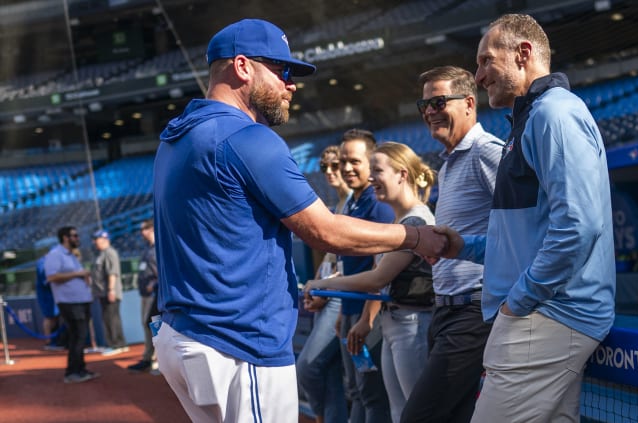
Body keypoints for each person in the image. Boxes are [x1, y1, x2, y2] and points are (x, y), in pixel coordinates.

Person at [151, 19, 446, 423]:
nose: (291, 84)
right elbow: (324, 231)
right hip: (237, 343)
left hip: (184, 334)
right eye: (281, 70)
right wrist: (415, 237)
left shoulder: (175, 138)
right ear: (242, 67)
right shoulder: (248, 138)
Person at [434, 14, 616, 422]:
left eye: (486, 61)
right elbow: (525, 239)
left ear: (523, 54)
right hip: (547, 315)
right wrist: (463, 246)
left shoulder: (554, 113)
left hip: (547, 315)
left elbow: (579, 226)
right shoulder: (532, 118)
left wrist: (519, 303)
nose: (478, 76)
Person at [400, 66, 504, 423]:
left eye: (439, 101)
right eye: (424, 104)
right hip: (445, 311)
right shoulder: (448, 165)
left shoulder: (487, 152)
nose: (429, 111)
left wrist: (460, 248)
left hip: (473, 314)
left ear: (469, 104)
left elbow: (525, 233)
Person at [306, 141, 436, 423]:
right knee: (398, 411)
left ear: (402, 174)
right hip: (396, 325)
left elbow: (378, 277)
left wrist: (324, 286)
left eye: (378, 170)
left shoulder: (415, 222)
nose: (372, 178)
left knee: (416, 413)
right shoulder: (400, 221)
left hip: (412, 325)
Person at [332, 129, 394, 423]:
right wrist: (343, 314)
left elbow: (379, 269)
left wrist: (367, 319)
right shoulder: (353, 202)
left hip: (369, 316)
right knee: (357, 391)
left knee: (372, 395)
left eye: (354, 161)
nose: (346, 168)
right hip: (350, 312)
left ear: (371, 163)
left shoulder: (378, 205)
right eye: (343, 161)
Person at [296, 145, 351, 423]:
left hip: (343, 295)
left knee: (307, 367)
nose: (330, 172)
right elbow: (330, 259)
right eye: (324, 167)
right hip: (329, 293)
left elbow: (352, 262)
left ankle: (319, 416)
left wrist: (322, 286)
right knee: (328, 374)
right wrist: (316, 284)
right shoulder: (336, 205)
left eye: (335, 165)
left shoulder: (355, 202)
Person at [44, 226, 99, 384]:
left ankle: (80, 369)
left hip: (81, 300)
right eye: (75, 235)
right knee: (77, 336)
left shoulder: (73, 256)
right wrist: (78, 274)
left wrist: (84, 276)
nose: (78, 238)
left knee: (80, 336)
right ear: (65, 237)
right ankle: (72, 372)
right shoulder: (55, 254)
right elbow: (51, 277)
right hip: (70, 302)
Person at [127, 219, 159, 373]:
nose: (141, 232)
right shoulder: (148, 248)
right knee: (147, 325)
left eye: (144, 228)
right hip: (146, 293)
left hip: (155, 294)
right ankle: (149, 357)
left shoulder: (159, 247)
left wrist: (155, 283)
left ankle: (156, 359)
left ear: (152, 228)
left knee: (154, 325)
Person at [90, 229, 128, 356]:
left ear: (104, 239)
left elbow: (112, 273)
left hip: (109, 292)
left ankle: (117, 344)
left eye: (97, 239)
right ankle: (117, 343)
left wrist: (111, 290)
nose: (95, 242)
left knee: (112, 318)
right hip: (103, 293)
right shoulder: (101, 253)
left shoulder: (110, 253)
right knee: (109, 318)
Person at [35, 251, 66, 351]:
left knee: (55, 317)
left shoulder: (52, 262)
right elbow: (46, 278)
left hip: (53, 294)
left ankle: (54, 339)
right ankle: (48, 341)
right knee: (49, 317)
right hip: (46, 295)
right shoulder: (42, 262)